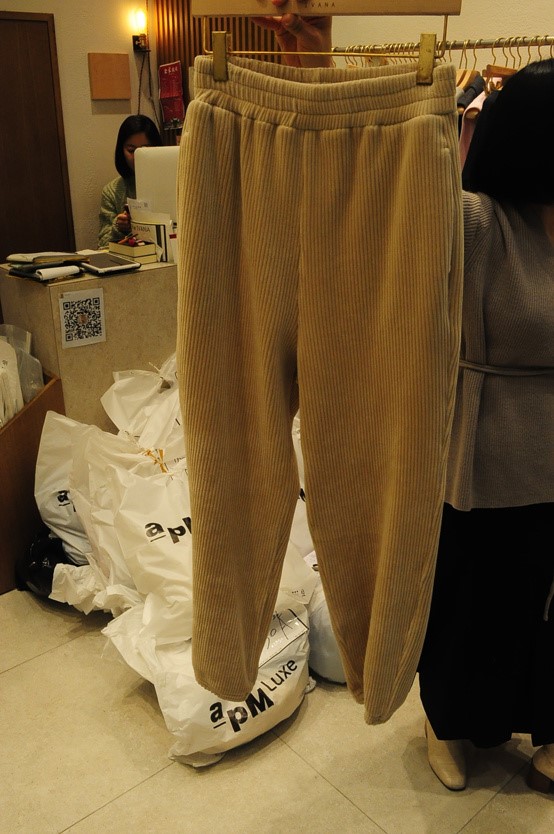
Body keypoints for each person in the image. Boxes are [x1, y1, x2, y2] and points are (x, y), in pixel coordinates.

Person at [255, 1, 554, 793]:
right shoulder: (478, 222)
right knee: (472, 605)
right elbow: (359, 179)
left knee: (544, 608)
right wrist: (317, 60)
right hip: (482, 461)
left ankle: (546, 722)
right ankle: (447, 725)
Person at [97, 114, 162, 248]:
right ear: (121, 151)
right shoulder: (112, 191)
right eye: (131, 150)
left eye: (144, 150)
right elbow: (102, 245)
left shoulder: (173, 183)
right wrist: (118, 226)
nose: (137, 156)